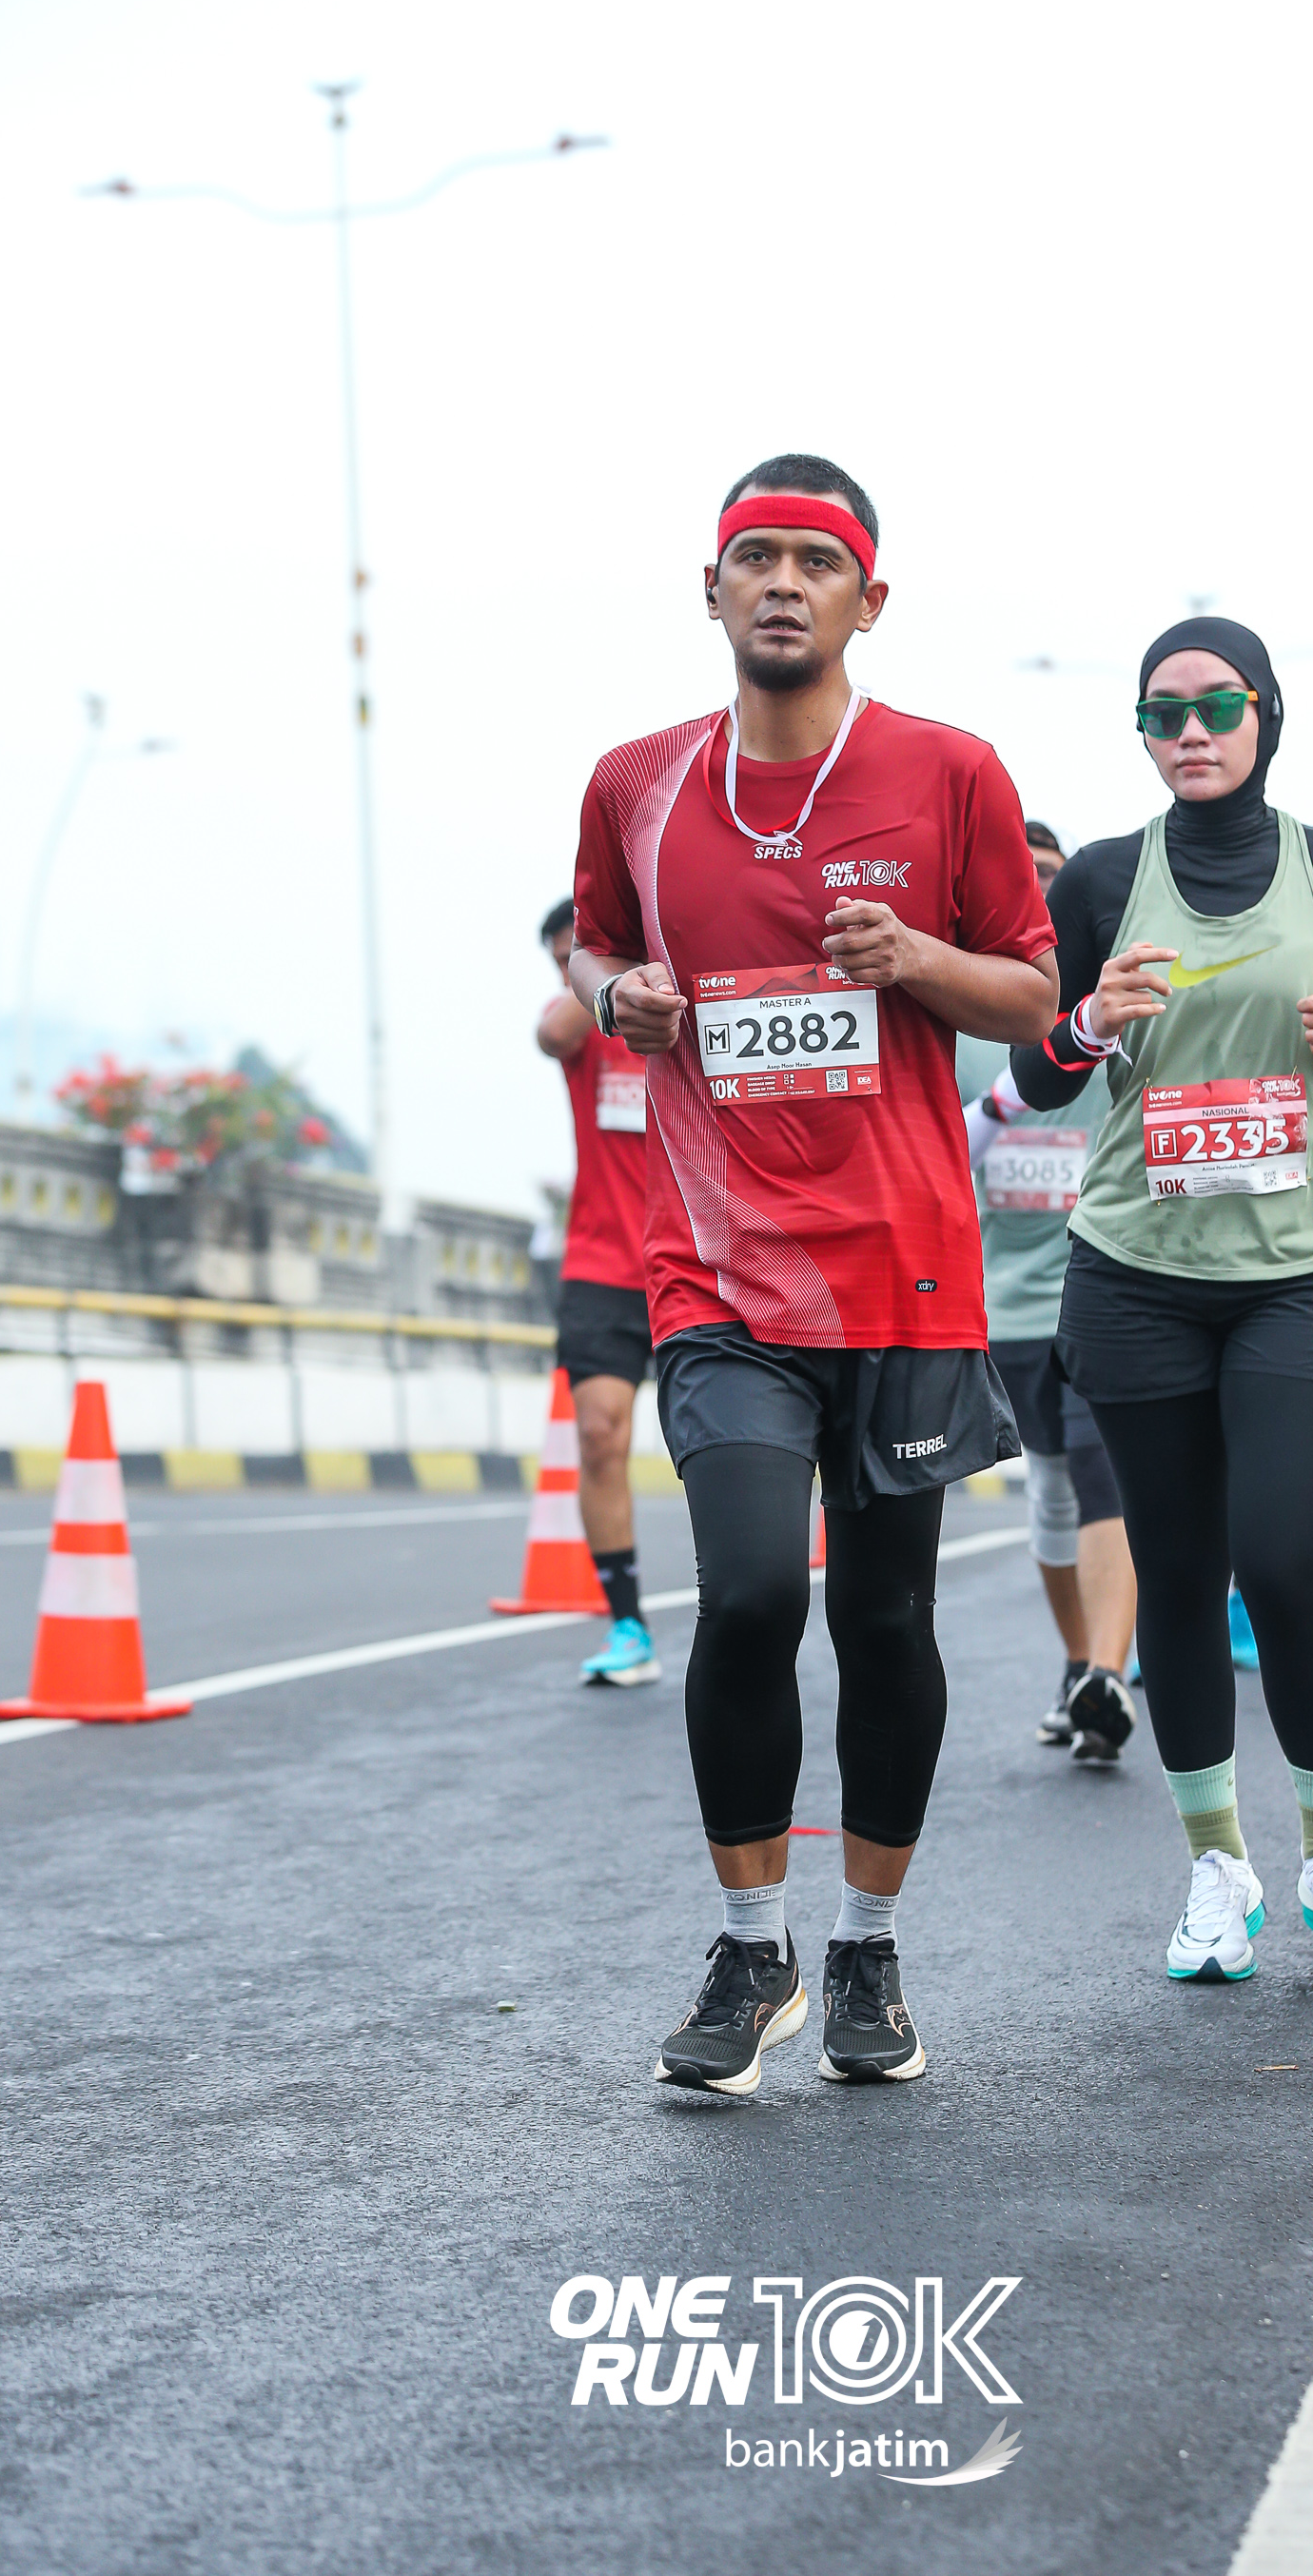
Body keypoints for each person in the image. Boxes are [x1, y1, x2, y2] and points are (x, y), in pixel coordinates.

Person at [570, 453, 1057, 2092]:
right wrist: (623, 989)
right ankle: (748, 1944)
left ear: (869, 598)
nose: (783, 582)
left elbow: (1033, 999)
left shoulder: (949, 772)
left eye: (816, 561)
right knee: (754, 1594)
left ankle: (867, 1950)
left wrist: (916, 958)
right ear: (711, 589)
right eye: (756, 557)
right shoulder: (637, 782)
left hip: (906, 1271)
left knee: (887, 1616)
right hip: (715, 1268)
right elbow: (592, 938)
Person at [1009, 616, 1313, 1984]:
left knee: (1287, 1562)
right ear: (1141, 732)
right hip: (1136, 1274)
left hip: (1301, 1273)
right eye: (1162, 712)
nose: (1189, 731)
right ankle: (1214, 1870)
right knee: (1180, 1574)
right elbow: (1036, 1076)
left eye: (1215, 706)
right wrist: (1089, 1019)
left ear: (1265, 716)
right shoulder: (1102, 883)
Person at [957, 822, 1139, 1762]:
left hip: (1104, 1284)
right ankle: (1079, 1667)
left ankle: (1108, 1671)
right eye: (1020, 878)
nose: (1036, 895)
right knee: (1055, 1489)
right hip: (1007, 1303)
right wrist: (1002, 1100)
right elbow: (941, 1152)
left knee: (1103, 1472)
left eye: (1052, 882)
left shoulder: (1116, 1011)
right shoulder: (962, 1027)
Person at [536, 899, 660, 1685]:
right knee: (599, 1435)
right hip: (601, 1266)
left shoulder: (676, 1004)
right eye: (559, 960)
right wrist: (592, 975)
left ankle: (740, 1609)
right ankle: (627, 1624)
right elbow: (552, 1031)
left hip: (698, 1263)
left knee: (720, 1446)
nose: (566, 970)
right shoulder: (582, 1028)